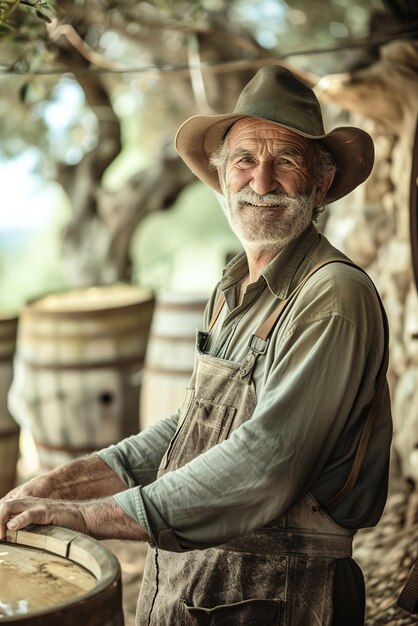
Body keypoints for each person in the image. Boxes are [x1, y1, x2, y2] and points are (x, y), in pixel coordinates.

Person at [0, 65, 392, 626]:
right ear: (221, 178)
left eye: (285, 160)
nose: (261, 182)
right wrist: (58, 486)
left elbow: (266, 460)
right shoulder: (235, 288)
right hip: (206, 592)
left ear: (321, 183)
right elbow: (189, 427)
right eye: (244, 161)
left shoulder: (333, 296)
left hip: (282, 597)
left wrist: (89, 517)